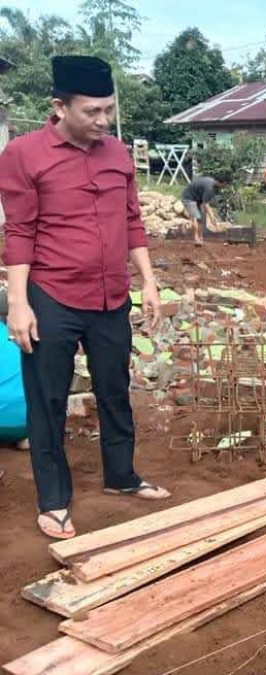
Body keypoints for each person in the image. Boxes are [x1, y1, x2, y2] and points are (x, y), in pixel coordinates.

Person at [0, 55, 170, 540]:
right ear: (59, 106)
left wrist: (148, 281)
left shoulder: (117, 154)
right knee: (47, 399)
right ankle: (53, 500)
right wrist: (18, 302)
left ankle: (122, 476)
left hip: (110, 296)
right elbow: (20, 233)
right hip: (51, 295)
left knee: (114, 389)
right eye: (92, 111)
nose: (103, 121)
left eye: (109, 109)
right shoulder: (24, 155)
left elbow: (132, 221)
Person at [181, 175, 228, 246]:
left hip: (198, 198)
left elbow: (205, 203)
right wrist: (212, 217)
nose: (224, 187)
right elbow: (206, 205)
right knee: (196, 217)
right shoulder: (209, 188)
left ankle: (200, 237)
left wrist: (211, 216)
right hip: (189, 198)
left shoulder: (214, 186)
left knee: (201, 218)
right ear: (218, 182)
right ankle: (196, 239)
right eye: (223, 185)